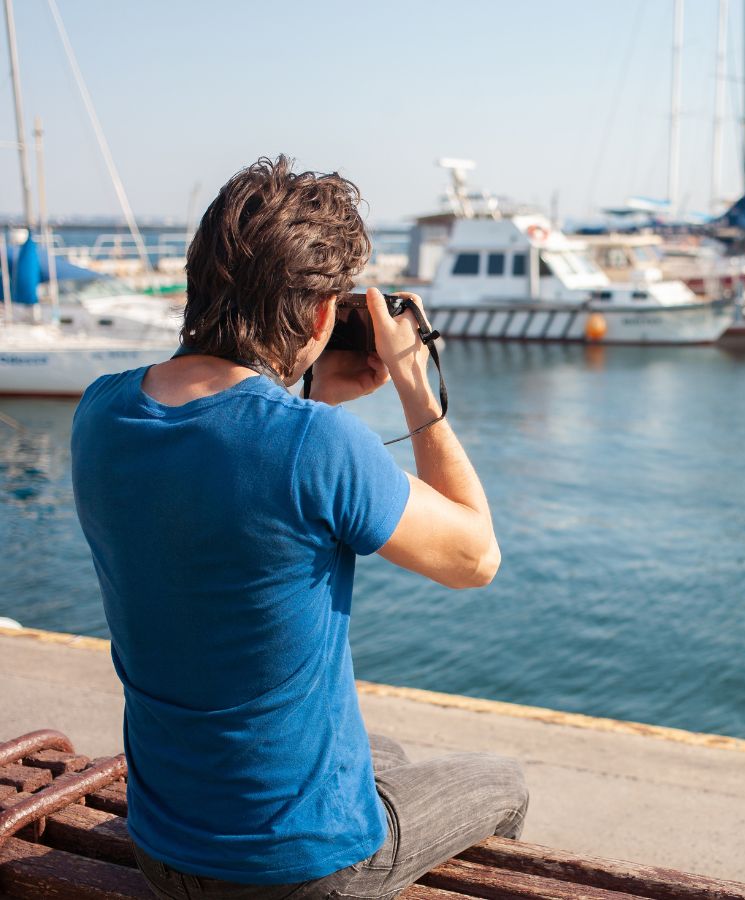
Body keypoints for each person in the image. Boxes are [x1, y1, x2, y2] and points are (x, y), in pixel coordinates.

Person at [71, 156, 528, 899]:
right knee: (499, 780)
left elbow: (233, 463)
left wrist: (302, 388)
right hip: (303, 871)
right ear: (322, 314)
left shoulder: (101, 412)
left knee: (386, 751)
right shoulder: (317, 444)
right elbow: (476, 556)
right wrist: (413, 383)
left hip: (163, 844)